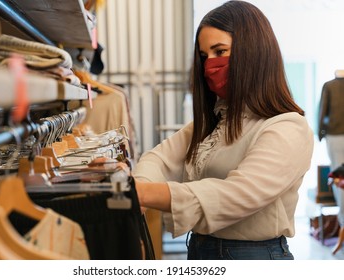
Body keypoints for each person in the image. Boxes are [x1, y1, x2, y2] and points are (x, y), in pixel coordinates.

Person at [132, 0, 314, 260]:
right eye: (204, 56)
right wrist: (141, 186)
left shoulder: (287, 128)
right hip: (200, 250)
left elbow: (236, 194)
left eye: (220, 51)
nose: (209, 66)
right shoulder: (214, 122)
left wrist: (147, 193)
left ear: (253, 51)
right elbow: (159, 158)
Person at [318, 69, 344, 254]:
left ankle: (343, 221)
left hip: (335, 135)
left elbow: (323, 108)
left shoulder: (329, 86)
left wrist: (320, 131)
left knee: (339, 178)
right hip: (335, 135)